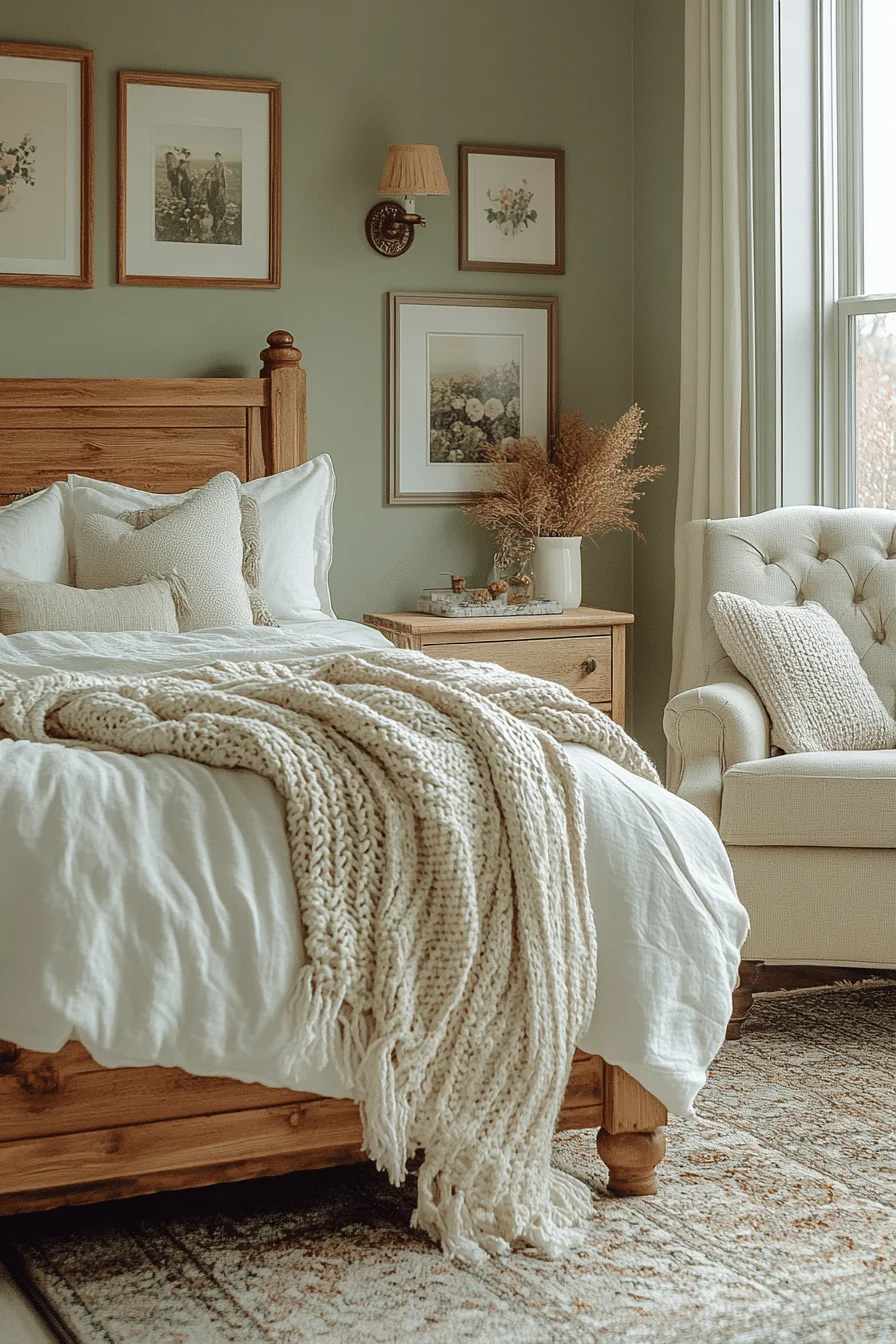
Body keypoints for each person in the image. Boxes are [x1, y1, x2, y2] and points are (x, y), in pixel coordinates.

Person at [205, 151, 231, 237]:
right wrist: (208, 174)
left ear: (221, 158)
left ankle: (219, 219)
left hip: (220, 188)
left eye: (219, 157)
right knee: (213, 203)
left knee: (221, 203)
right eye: (216, 158)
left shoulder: (222, 167)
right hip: (214, 187)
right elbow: (209, 170)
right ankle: (214, 220)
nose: (218, 159)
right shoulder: (215, 166)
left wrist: (228, 172)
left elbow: (224, 175)